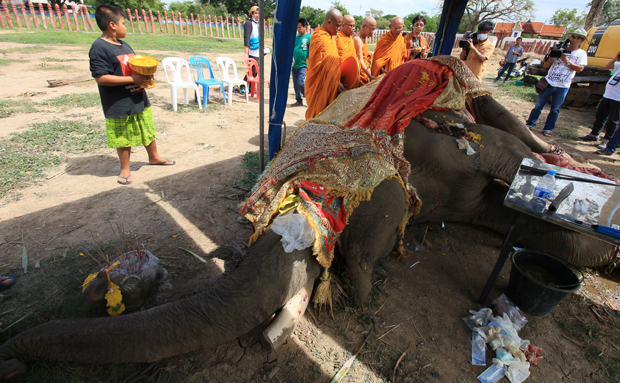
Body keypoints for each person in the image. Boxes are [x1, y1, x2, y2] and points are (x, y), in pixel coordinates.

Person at [89, 5, 174, 186]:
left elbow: (135, 67)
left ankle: (154, 157)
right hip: (118, 102)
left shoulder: (124, 45)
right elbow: (100, 77)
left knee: (147, 129)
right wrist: (132, 79)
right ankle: (125, 169)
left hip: (138, 97)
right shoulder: (99, 48)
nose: (125, 27)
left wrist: (144, 77)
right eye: (123, 23)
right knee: (123, 135)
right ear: (112, 25)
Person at [525, 29, 588, 137]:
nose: (574, 40)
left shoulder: (581, 53)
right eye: (573, 37)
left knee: (555, 109)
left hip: (563, 86)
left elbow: (580, 68)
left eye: (577, 38)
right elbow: (546, 65)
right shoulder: (560, 49)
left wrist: (566, 60)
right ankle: (529, 124)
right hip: (549, 83)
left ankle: (548, 129)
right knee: (538, 105)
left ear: (581, 40)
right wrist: (552, 54)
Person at [305, 9, 345, 120]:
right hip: (320, 84)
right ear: (328, 22)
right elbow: (324, 66)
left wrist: (336, 83)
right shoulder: (320, 37)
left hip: (331, 84)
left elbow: (332, 65)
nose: (338, 29)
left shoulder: (330, 37)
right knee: (318, 113)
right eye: (337, 26)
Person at [582, 50, 620, 146]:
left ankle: (607, 140)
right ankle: (594, 134)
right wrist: (616, 57)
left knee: (613, 121)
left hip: (618, 99)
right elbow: (608, 66)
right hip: (607, 95)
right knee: (600, 116)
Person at [336, 14, 360, 89]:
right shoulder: (339, 40)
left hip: (353, 78)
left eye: (354, 26)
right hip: (342, 80)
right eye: (351, 26)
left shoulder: (350, 39)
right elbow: (340, 61)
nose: (353, 28)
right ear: (343, 25)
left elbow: (354, 58)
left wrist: (357, 78)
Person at [291, 17, 310, 106]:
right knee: (295, 84)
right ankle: (298, 100)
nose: (298, 29)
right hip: (295, 64)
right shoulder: (296, 38)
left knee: (300, 82)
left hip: (304, 64)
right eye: (297, 28)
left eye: (300, 27)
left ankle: (309, 97)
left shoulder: (309, 38)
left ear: (305, 27)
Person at [354, 16, 376, 85]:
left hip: (366, 71)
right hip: (359, 74)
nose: (372, 32)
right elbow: (360, 60)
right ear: (363, 27)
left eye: (374, 29)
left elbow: (365, 57)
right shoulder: (357, 40)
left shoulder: (364, 37)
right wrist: (370, 76)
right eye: (371, 29)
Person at [243, 5, 260, 85]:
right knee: (252, 70)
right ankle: (244, 85)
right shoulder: (248, 23)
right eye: (255, 13)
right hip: (252, 51)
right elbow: (246, 39)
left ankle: (249, 86)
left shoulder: (258, 24)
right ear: (252, 14)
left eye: (259, 13)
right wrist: (246, 53)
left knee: (256, 70)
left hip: (258, 50)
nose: (257, 15)